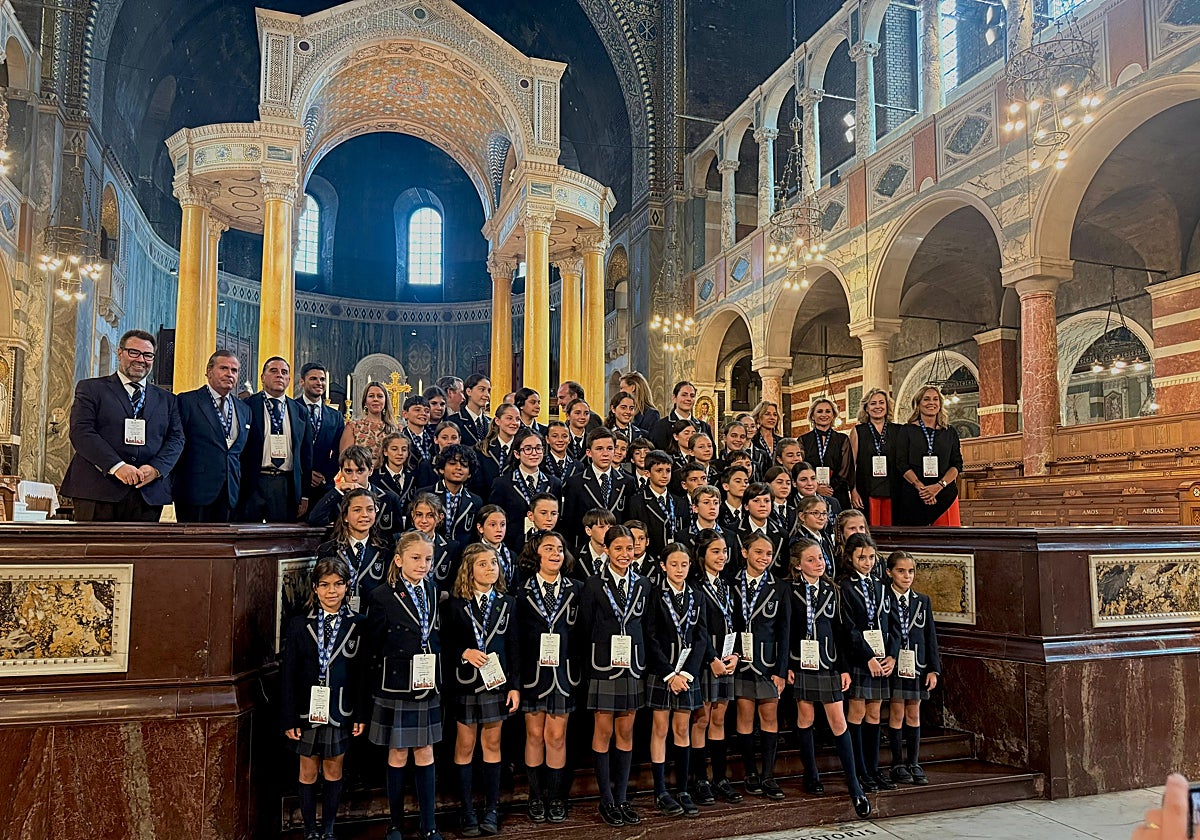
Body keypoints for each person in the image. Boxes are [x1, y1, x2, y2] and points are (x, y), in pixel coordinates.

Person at [281, 556, 367, 840]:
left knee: (334, 768)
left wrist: (359, 714)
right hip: (307, 711)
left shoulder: (357, 624)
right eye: (326, 585)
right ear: (315, 588)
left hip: (340, 709)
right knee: (308, 770)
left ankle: (328, 829)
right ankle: (310, 830)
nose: (333, 591)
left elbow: (362, 674)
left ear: (347, 586)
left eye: (339, 584)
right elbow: (289, 674)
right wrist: (289, 716)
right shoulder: (298, 625)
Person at [367, 531, 444, 840]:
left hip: (428, 682)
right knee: (398, 752)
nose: (422, 564)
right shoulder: (382, 595)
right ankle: (395, 824)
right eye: (415, 558)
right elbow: (374, 645)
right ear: (398, 560)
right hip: (396, 684)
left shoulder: (435, 591)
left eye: (427, 559)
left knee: (425, 751)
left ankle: (429, 826)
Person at [787, 537, 871, 817]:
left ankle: (854, 785)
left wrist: (844, 667)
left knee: (838, 720)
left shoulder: (833, 591)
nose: (818, 563)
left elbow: (842, 632)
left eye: (820, 558)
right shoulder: (789, 590)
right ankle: (811, 774)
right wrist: (786, 664)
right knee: (805, 718)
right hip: (801, 664)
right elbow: (786, 630)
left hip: (828, 664)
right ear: (798, 565)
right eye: (811, 560)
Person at [62, 328, 184, 521]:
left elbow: (176, 439)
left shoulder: (168, 400)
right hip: (98, 490)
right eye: (133, 352)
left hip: (147, 493)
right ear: (120, 353)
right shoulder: (91, 388)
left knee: (139, 551)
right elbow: (81, 432)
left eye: (147, 355)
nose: (140, 359)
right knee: (94, 550)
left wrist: (156, 469)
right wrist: (117, 466)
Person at [445, 544, 521, 838]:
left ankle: (492, 808)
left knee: (492, 744)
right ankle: (466, 810)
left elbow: (514, 647)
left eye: (494, 563)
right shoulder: (455, 604)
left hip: (497, 685)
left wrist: (515, 686)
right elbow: (446, 644)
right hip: (466, 684)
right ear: (469, 570)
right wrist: (464, 652)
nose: (491, 568)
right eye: (484, 564)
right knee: (465, 745)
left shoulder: (507, 603)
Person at [579, 525, 651, 828]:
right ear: (606, 550)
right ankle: (606, 799)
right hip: (602, 666)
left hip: (632, 666)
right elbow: (584, 628)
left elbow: (646, 627)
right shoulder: (594, 584)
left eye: (630, 548)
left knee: (626, 732)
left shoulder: (644, 584)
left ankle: (622, 797)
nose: (625, 554)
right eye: (618, 548)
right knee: (603, 731)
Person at [514, 531, 579, 824]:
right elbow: (515, 640)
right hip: (533, 675)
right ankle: (536, 795)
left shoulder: (576, 589)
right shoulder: (521, 591)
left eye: (560, 548)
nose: (556, 553)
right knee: (534, 735)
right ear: (536, 554)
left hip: (564, 675)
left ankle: (555, 797)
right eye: (549, 548)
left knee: (556, 736)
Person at [645, 543, 706, 818]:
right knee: (660, 728)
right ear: (663, 566)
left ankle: (682, 788)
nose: (679, 569)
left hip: (687, 675)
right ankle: (660, 790)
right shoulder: (655, 595)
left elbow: (701, 638)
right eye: (674, 564)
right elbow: (651, 637)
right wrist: (670, 674)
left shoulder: (697, 595)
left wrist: (687, 674)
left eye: (684, 564)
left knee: (682, 729)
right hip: (663, 674)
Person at [837, 533, 897, 793]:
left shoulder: (882, 586)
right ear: (850, 558)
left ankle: (873, 768)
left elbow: (893, 623)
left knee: (875, 713)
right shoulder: (845, 587)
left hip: (883, 658)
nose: (868, 562)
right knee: (858, 713)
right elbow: (848, 629)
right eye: (862, 557)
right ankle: (859, 770)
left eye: (872, 557)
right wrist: (868, 657)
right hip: (860, 659)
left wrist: (891, 655)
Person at [732, 531, 789, 800]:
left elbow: (784, 631)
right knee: (744, 716)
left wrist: (780, 669)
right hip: (741, 662)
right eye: (758, 552)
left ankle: (768, 774)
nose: (764, 558)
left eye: (768, 553)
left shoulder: (779, 587)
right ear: (745, 553)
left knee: (769, 716)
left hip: (768, 663)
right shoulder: (732, 584)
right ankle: (750, 772)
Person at [688, 529, 742, 806]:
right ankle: (699, 779)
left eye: (724, 551)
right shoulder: (695, 586)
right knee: (702, 719)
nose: (722, 557)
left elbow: (739, 623)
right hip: (706, 661)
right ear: (702, 555)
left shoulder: (729, 585)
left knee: (720, 719)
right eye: (715, 551)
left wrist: (736, 655)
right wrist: (712, 659)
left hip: (727, 658)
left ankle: (720, 778)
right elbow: (697, 628)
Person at [174, 350, 252, 522]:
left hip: (231, 492)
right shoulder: (187, 401)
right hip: (195, 492)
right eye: (224, 368)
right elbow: (177, 444)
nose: (229, 374)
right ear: (209, 371)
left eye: (234, 370)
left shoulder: (244, 409)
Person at [885, 549, 941, 786]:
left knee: (913, 712)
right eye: (901, 571)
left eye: (910, 571)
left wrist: (933, 668)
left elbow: (930, 635)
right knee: (897, 712)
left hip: (916, 664)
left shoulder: (922, 600)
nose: (907, 576)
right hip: (896, 664)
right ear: (889, 572)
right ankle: (897, 763)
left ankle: (914, 762)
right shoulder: (884, 599)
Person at [240, 357, 314, 522]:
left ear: (289, 380)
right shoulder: (246, 406)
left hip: (285, 484)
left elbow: (306, 456)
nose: (279, 375)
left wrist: (305, 494)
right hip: (254, 482)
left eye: (284, 372)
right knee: (249, 537)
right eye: (273, 371)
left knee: (282, 538)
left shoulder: (300, 411)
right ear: (263, 377)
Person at [894, 386, 963, 527]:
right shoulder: (906, 430)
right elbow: (901, 463)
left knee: (948, 543)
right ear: (918, 404)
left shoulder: (950, 432)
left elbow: (957, 464)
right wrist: (922, 488)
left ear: (940, 404)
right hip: (914, 495)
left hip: (945, 496)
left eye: (935, 399)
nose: (931, 403)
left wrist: (938, 486)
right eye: (926, 399)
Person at [307, 446, 403, 544]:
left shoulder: (389, 498)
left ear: (370, 470)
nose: (354, 478)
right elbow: (315, 520)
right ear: (341, 471)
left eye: (360, 471)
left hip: (380, 555)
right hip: (345, 554)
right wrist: (337, 491)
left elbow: (397, 536)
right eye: (348, 471)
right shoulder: (335, 497)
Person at [561, 428, 636, 552]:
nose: (605, 453)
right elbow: (569, 524)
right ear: (589, 453)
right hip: (585, 550)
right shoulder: (575, 483)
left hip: (618, 550)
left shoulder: (627, 481)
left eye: (610, 448)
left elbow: (629, 519)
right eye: (599, 449)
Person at [316, 488, 391, 612]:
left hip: (373, 619)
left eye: (370, 509)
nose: (365, 515)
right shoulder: (329, 550)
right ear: (345, 516)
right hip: (341, 622)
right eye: (357, 510)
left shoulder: (384, 549)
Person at [488, 429, 561, 552]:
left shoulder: (554, 483)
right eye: (528, 449)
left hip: (545, 548)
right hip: (514, 547)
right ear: (517, 454)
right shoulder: (502, 483)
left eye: (538, 448)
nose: (534, 453)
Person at [850, 388, 901, 526]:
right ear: (866, 408)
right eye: (873, 403)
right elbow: (851, 464)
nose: (878, 406)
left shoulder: (898, 430)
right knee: (869, 530)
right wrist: (853, 491)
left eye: (881, 403)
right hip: (866, 489)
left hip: (893, 489)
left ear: (887, 406)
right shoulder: (858, 431)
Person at [299, 362, 346, 507]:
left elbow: (339, 451)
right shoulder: (292, 408)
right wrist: (305, 474)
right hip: (296, 482)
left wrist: (324, 476)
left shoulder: (335, 416)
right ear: (302, 382)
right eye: (313, 379)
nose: (319, 383)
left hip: (324, 485)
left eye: (322, 379)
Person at [627, 449, 687, 561]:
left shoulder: (680, 502)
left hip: (675, 558)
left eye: (668, 471)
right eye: (659, 471)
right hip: (650, 558)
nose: (664, 475)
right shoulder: (636, 502)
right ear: (647, 473)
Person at [418, 444, 482, 545]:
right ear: (441, 469)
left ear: (469, 473)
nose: (458, 468)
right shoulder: (424, 495)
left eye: (464, 465)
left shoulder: (476, 501)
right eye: (452, 463)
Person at [800, 398, 854, 514]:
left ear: (833, 415)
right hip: (811, 492)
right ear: (812, 416)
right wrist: (816, 487)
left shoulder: (842, 439)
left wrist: (830, 488)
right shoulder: (803, 440)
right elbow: (801, 468)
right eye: (819, 411)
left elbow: (846, 469)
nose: (824, 415)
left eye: (828, 411)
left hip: (838, 492)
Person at [408, 492, 462, 596]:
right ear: (412, 515)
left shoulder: (452, 547)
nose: (423, 521)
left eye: (430, 515)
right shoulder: (399, 541)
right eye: (419, 515)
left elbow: (454, 582)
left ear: (440, 517)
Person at [339, 383, 397, 466]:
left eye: (380, 396)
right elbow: (345, 459)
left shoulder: (393, 430)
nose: (375, 399)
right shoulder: (353, 427)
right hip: (360, 476)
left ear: (385, 401)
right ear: (365, 402)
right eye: (371, 396)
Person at [651, 382, 713, 451]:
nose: (689, 399)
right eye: (684, 395)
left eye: (692, 396)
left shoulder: (704, 427)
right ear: (674, 398)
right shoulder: (661, 426)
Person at [452, 374, 493, 449]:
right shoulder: (453, 421)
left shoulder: (491, 423)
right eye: (482, 389)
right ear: (468, 391)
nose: (487, 394)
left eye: (489, 391)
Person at [402, 394, 436, 465]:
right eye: (417, 410)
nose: (423, 413)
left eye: (427, 411)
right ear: (405, 414)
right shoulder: (399, 438)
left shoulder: (433, 438)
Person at [749, 400, 782, 466]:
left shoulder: (781, 441)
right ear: (758, 418)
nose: (772, 418)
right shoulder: (752, 441)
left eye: (775, 415)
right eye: (767, 414)